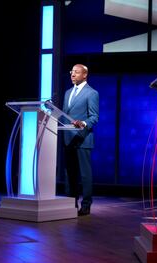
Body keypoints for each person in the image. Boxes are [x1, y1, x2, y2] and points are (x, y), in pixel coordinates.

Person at [62, 64, 99, 216]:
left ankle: (86, 205)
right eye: (71, 72)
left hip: (83, 139)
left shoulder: (92, 93)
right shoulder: (67, 92)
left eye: (76, 72)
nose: (72, 74)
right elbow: (64, 114)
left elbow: (94, 117)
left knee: (84, 174)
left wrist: (82, 123)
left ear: (85, 75)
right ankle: (71, 203)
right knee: (70, 173)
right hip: (68, 139)